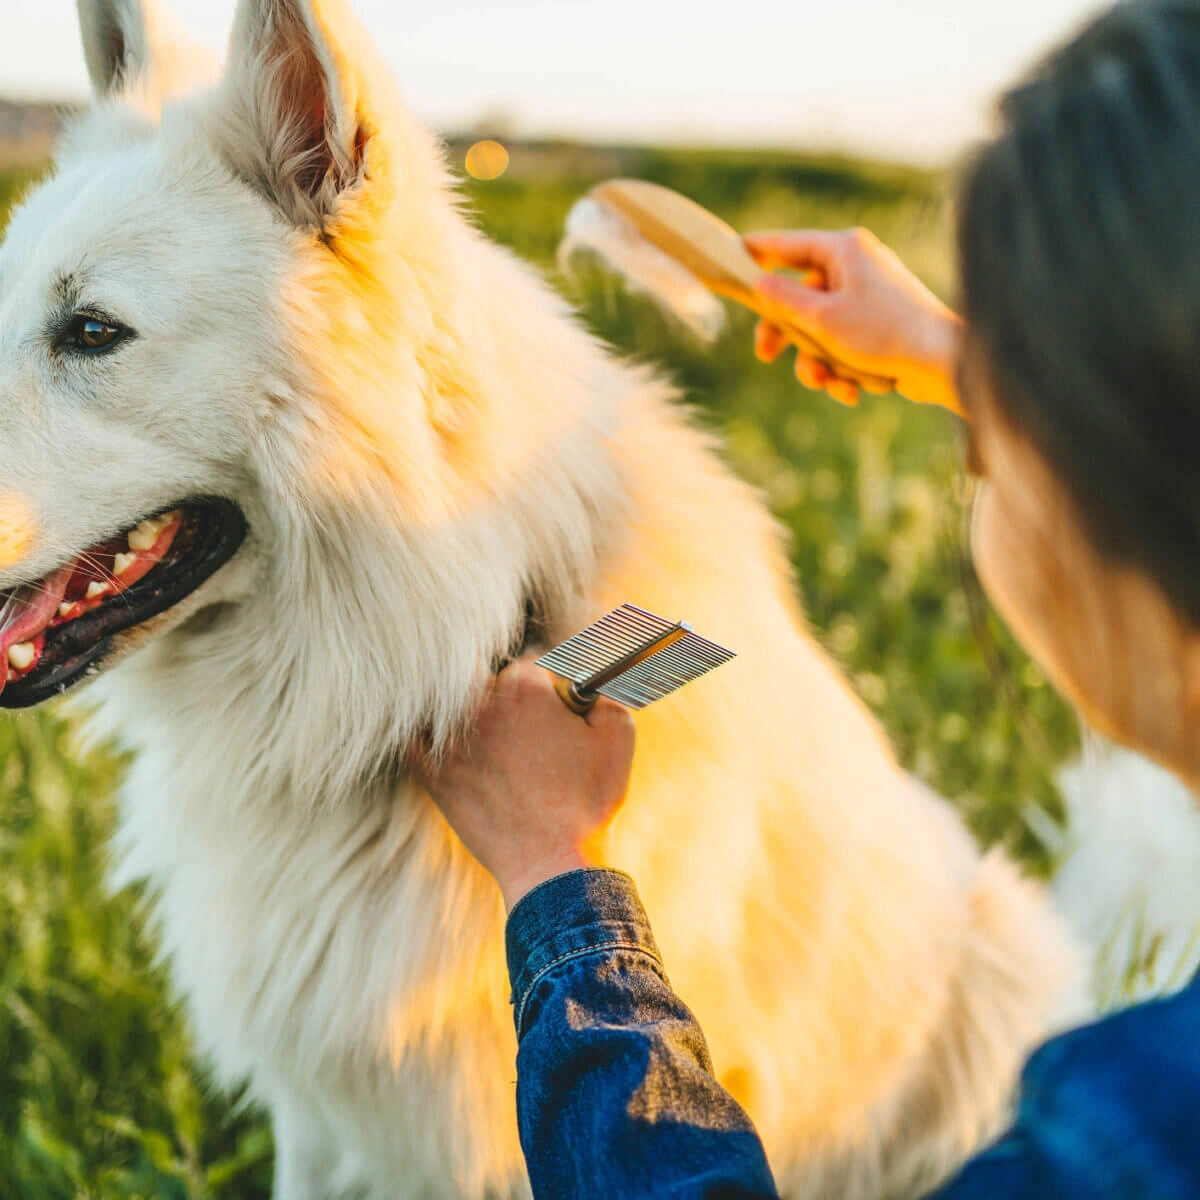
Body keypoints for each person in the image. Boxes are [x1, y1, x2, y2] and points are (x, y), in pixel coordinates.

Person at [420, 1, 1200, 1195]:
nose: (983, 448)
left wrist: (551, 874)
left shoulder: (1127, 1142)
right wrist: (966, 357)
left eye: (995, 453)